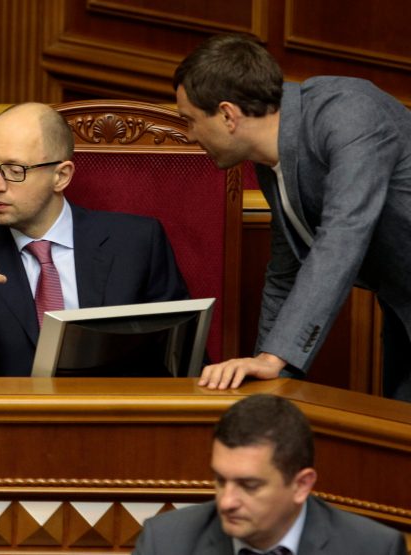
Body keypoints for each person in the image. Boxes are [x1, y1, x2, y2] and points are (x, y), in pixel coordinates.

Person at [173, 34, 411, 400]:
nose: (189, 135)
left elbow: (343, 234)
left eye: (189, 121)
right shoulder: (273, 156)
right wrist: (267, 370)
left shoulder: (349, 113)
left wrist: (276, 356)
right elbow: (286, 271)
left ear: (226, 115)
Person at [0, 102, 187, 376]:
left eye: (15, 170)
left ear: (61, 176)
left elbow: (179, 359)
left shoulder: (136, 244)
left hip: (117, 412)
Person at [133, 394, 406, 554]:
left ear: (301, 485)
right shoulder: (166, 543)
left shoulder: (370, 548)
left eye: (249, 485)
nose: (226, 502)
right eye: (220, 480)